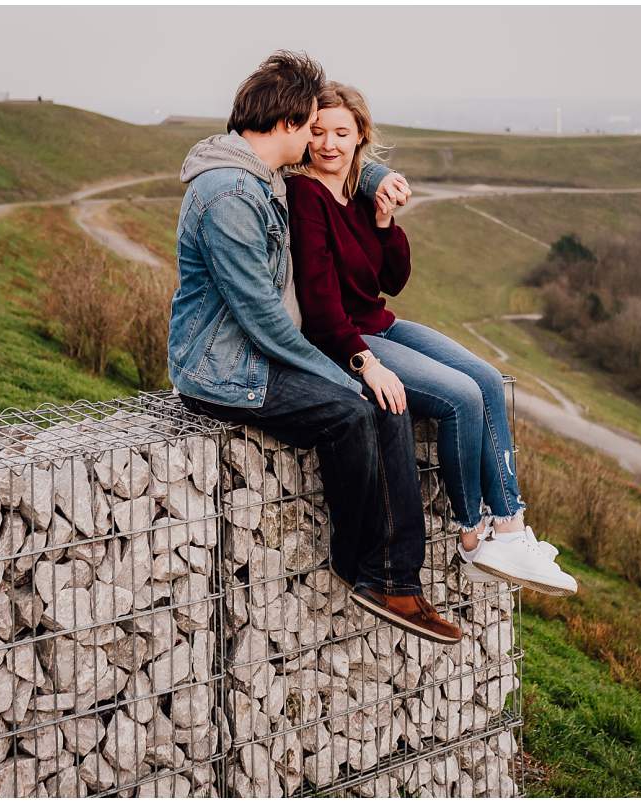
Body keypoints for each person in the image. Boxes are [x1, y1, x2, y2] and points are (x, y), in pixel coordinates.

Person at [168, 51, 462, 643]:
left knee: (387, 402)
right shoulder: (230, 195)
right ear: (286, 126)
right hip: (224, 370)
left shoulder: (259, 173)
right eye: (310, 124)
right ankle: (367, 570)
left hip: (256, 355)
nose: (318, 137)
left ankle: (397, 579)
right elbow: (260, 319)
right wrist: (355, 369)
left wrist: (377, 175)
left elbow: (345, 171)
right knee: (356, 408)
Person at [286, 82, 577, 596]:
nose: (328, 144)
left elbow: (392, 280)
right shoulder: (304, 194)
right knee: (459, 397)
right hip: (347, 337)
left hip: (381, 321)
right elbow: (319, 304)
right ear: (305, 137)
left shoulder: (357, 192)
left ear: (360, 137)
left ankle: (509, 526)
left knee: (486, 378)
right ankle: (472, 539)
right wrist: (362, 360)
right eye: (317, 132)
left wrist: (383, 221)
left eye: (341, 133)